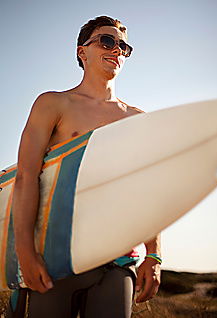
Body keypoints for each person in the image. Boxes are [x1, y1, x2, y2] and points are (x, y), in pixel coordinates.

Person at [7, 16, 161, 318]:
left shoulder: (138, 118)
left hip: (117, 259)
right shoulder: (53, 104)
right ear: (82, 51)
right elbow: (26, 178)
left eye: (123, 46)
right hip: (54, 256)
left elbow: (147, 191)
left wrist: (153, 254)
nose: (116, 49)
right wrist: (24, 250)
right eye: (107, 41)